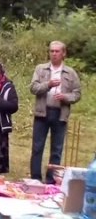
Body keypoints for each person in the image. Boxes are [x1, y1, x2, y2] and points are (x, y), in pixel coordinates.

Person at [29, 41, 81, 184]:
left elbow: (77, 94)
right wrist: (48, 85)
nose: (54, 54)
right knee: (37, 147)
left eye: (57, 51)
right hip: (42, 112)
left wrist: (65, 97)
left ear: (63, 53)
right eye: (52, 51)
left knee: (56, 149)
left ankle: (51, 180)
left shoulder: (70, 72)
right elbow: (33, 88)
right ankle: (35, 179)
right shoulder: (41, 69)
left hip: (60, 114)